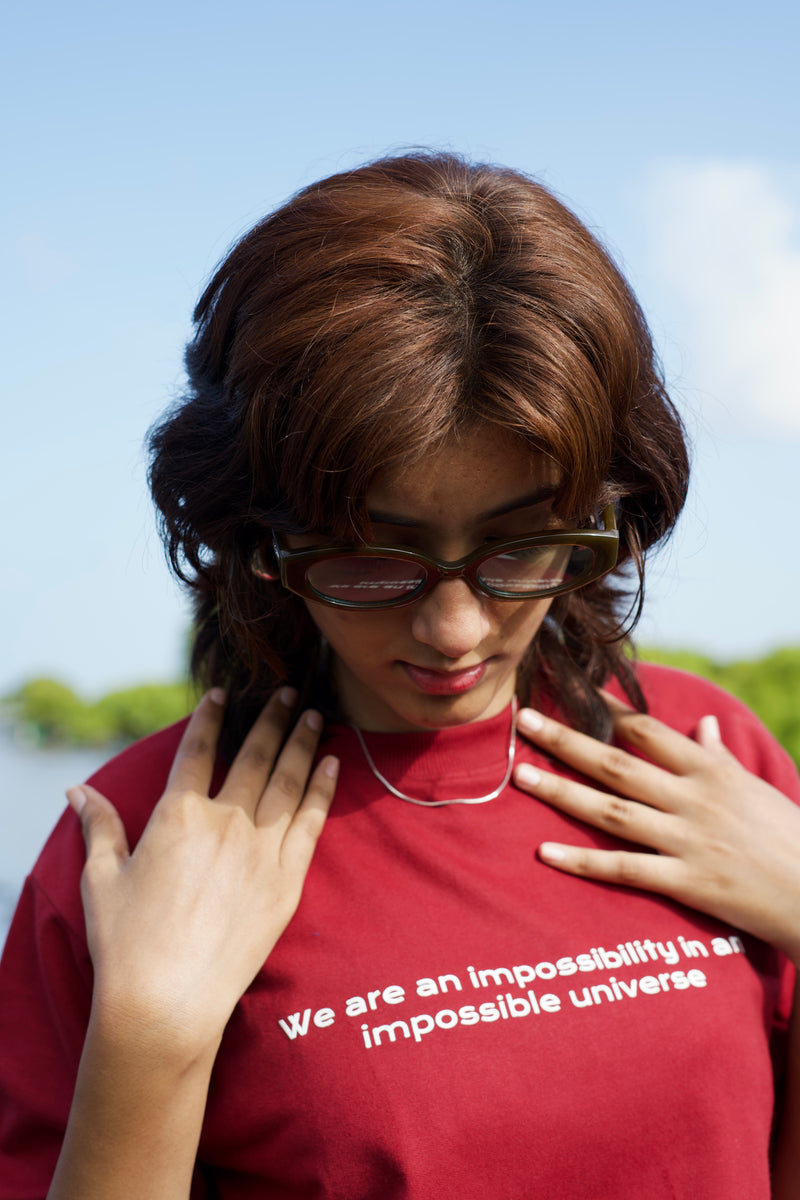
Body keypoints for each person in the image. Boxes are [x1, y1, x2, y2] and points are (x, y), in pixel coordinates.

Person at [0, 152, 798, 1199]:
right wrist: (151, 1035)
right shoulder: (142, 845)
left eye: (517, 546)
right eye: (375, 556)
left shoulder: (706, 762)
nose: (454, 626)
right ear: (257, 538)